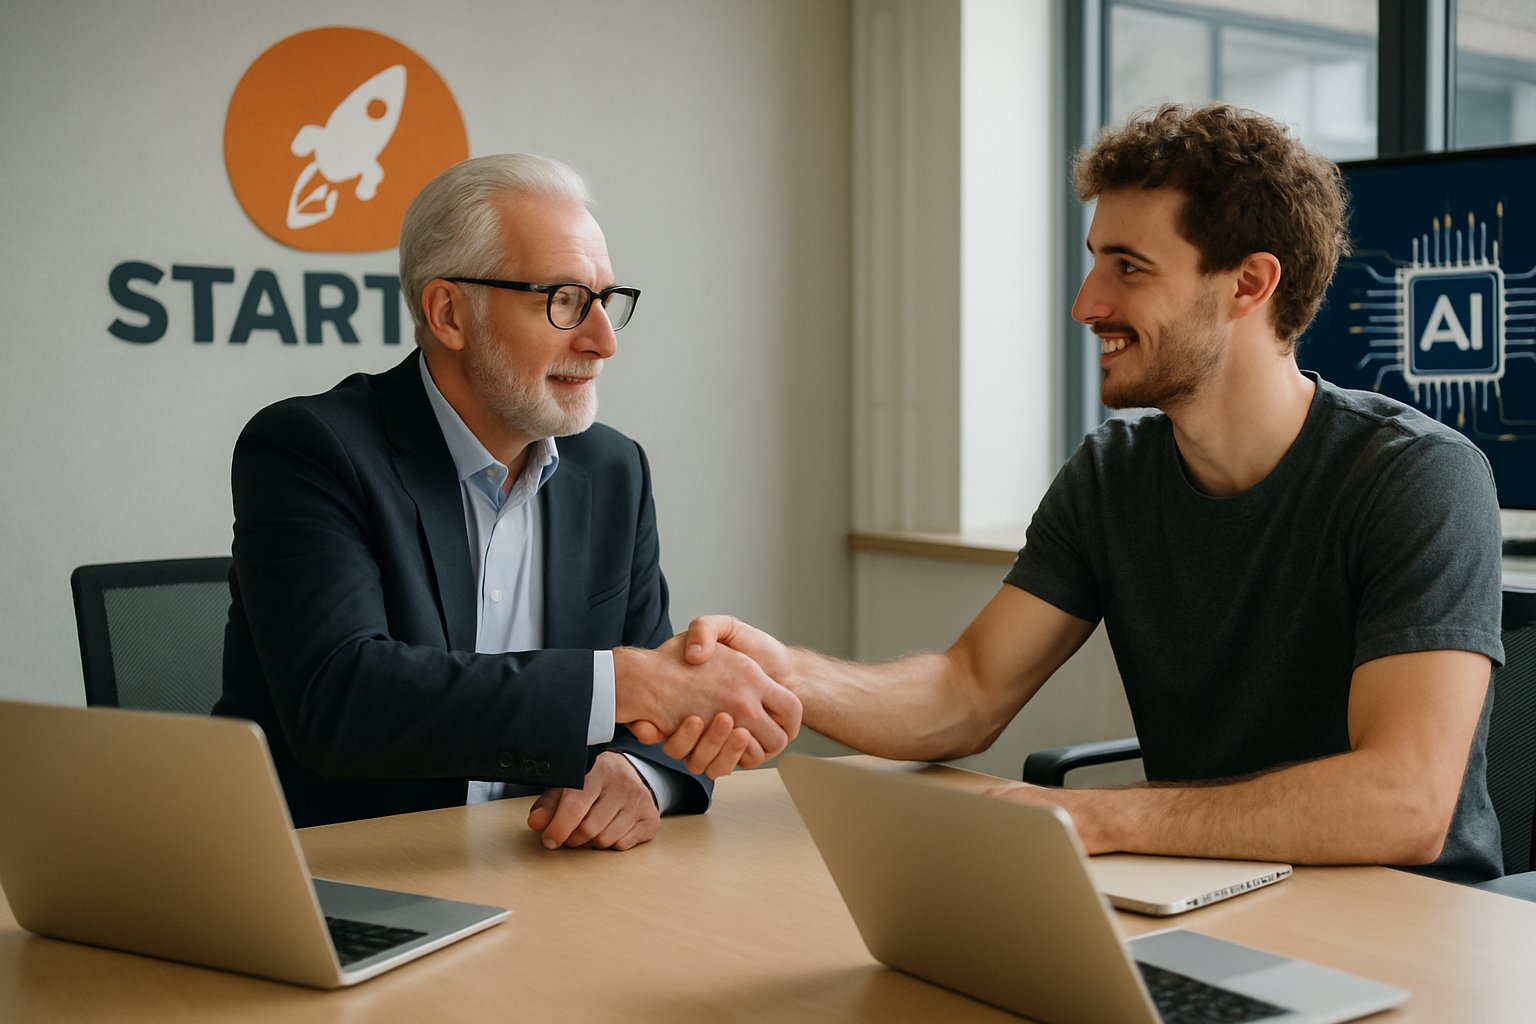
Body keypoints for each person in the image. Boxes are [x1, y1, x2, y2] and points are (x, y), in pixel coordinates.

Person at [660, 103, 1507, 882]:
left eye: (1129, 269)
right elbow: (966, 692)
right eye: (1095, 263)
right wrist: (787, 673)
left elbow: (1405, 802)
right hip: (1202, 886)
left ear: (1249, 284)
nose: (1085, 304)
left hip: (1401, 915)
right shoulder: (1113, 476)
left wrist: (1095, 817)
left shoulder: (1419, 478)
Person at [217, 154, 799, 848]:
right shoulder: (312, 448)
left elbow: (662, 703)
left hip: (538, 867)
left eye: (606, 300)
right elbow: (343, 701)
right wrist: (628, 684)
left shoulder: (612, 469)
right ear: (449, 313)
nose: (602, 340)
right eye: (563, 301)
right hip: (339, 873)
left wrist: (638, 773)